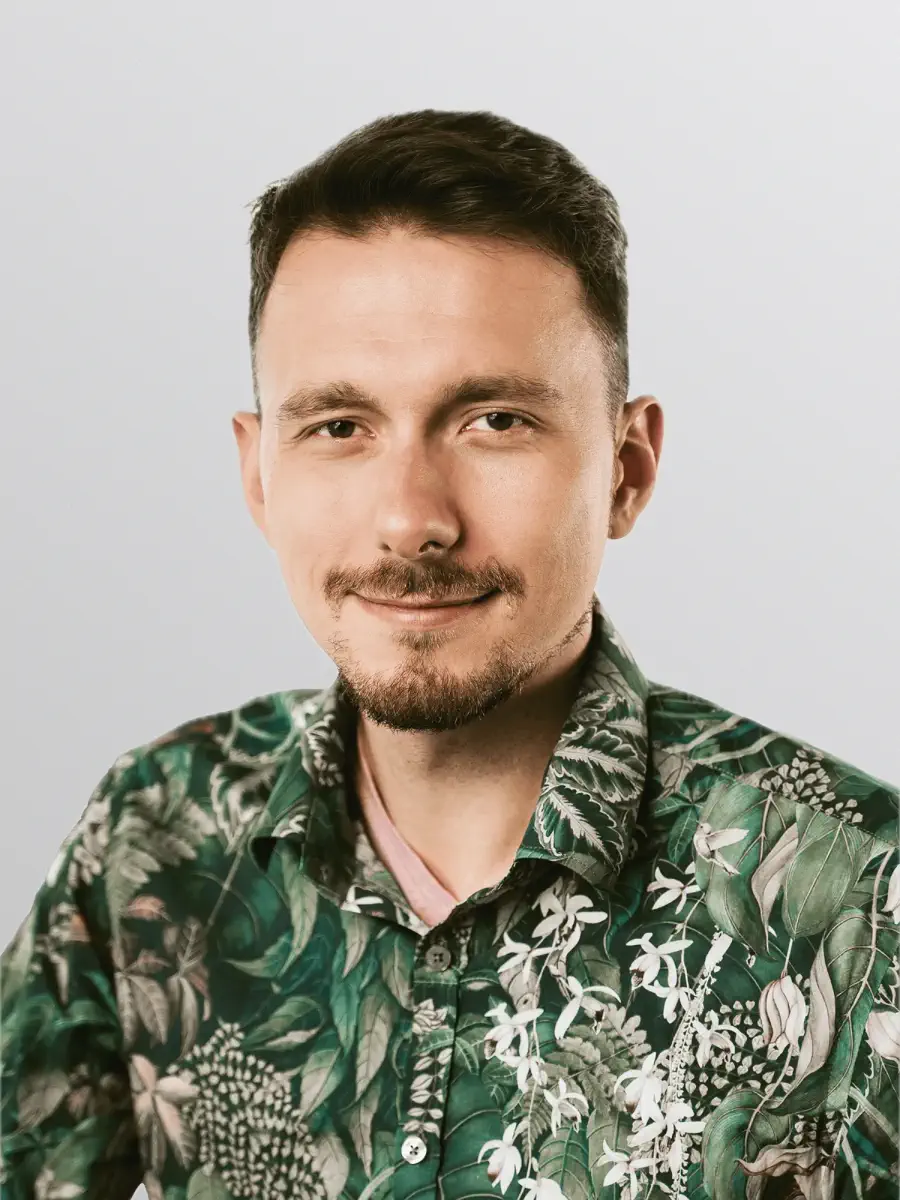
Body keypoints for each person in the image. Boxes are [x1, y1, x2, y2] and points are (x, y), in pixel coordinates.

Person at [2, 109, 897, 1200]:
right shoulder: (154, 840)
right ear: (258, 475)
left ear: (626, 467)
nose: (411, 520)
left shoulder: (860, 903)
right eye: (339, 426)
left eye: (494, 421)